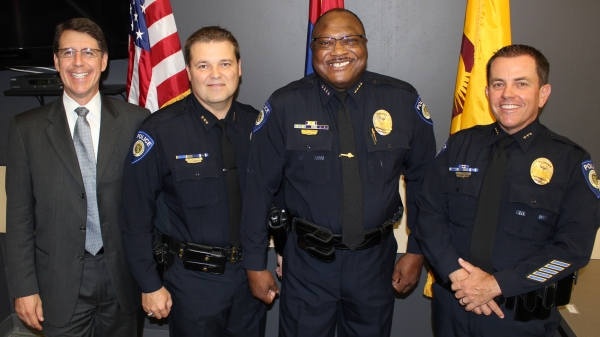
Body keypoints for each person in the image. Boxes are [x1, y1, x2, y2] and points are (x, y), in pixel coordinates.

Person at [242, 8, 436, 336]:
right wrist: (254, 263)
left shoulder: (402, 101)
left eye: (349, 40)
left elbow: (425, 184)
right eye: (326, 42)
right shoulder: (285, 105)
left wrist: (417, 250)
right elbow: (259, 188)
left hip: (375, 264)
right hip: (307, 263)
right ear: (313, 49)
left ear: (365, 45)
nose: (338, 51)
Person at [415, 44, 600, 336]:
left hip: (520, 315)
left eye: (521, 83)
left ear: (543, 94)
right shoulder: (460, 145)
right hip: (453, 306)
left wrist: (497, 285)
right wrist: (458, 275)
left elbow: (572, 250)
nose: (507, 94)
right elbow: (428, 214)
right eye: (498, 84)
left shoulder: (570, 160)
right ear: (487, 93)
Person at [4, 18, 150, 336]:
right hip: (57, 283)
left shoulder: (136, 121)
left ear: (104, 59)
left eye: (88, 52)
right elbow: (16, 217)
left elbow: (151, 205)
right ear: (56, 61)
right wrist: (22, 287)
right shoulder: (24, 128)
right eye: (68, 52)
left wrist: (153, 277)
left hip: (122, 280)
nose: (79, 62)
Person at [120, 26, 266, 336]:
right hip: (191, 283)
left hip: (249, 276)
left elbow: (275, 198)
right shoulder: (159, 130)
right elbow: (134, 216)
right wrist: (149, 284)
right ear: (189, 72)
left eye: (225, 63)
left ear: (239, 68)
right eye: (203, 65)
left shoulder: (258, 128)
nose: (216, 74)